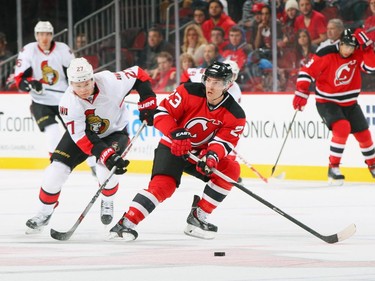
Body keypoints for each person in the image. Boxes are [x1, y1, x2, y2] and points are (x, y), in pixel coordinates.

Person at [107, 61, 246, 241]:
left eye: (217, 82)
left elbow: (224, 142)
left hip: (198, 154)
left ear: (228, 85)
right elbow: (161, 113)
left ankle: (198, 217)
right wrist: (176, 134)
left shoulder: (235, 114)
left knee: (231, 170)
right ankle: (125, 223)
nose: (210, 86)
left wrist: (211, 156)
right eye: (208, 80)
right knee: (163, 186)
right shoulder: (188, 91)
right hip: (173, 146)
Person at [25, 57, 157, 234]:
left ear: (93, 78)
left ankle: (108, 200)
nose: (83, 89)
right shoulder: (68, 103)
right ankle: (44, 212)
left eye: (86, 84)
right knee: (55, 172)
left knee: (106, 173)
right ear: (71, 83)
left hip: (115, 132)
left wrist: (147, 100)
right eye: (77, 85)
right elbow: (82, 137)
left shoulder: (110, 82)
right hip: (82, 136)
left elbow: (138, 75)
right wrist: (105, 154)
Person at [292, 28, 375, 184]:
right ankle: (333, 167)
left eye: (352, 47)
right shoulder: (326, 53)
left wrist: (368, 48)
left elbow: (371, 68)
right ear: (340, 43)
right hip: (327, 102)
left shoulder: (357, 52)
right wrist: (301, 92)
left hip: (350, 102)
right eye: (346, 46)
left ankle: (372, 165)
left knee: (364, 134)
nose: (348, 50)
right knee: (342, 128)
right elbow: (307, 72)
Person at [14, 21, 74, 156]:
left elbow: (73, 74)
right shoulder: (28, 50)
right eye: (41, 34)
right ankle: (55, 164)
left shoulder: (63, 49)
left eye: (47, 34)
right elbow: (19, 80)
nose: (44, 38)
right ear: (36, 35)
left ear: (52, 35)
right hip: (41, 101)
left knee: (77, 132)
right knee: (52, 130)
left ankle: (94, 165)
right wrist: (31, 84)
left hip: (64, 99)